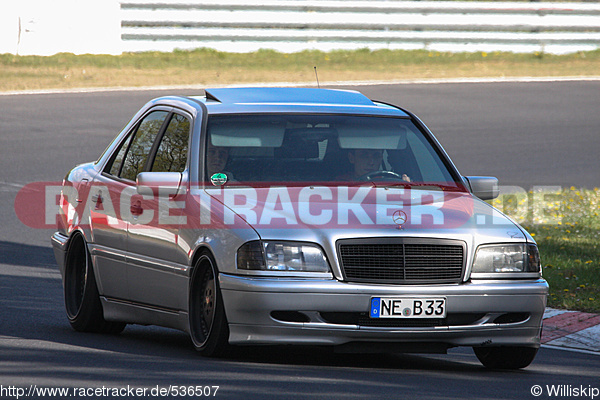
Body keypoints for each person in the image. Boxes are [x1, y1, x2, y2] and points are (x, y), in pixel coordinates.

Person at [339, 149, 410, 181]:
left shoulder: (390, 185)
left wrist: (406, 188)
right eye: (364, 155)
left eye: (376, 156)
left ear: (381, 158)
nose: (371, 162)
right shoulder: (338, 185)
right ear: (351, 158)